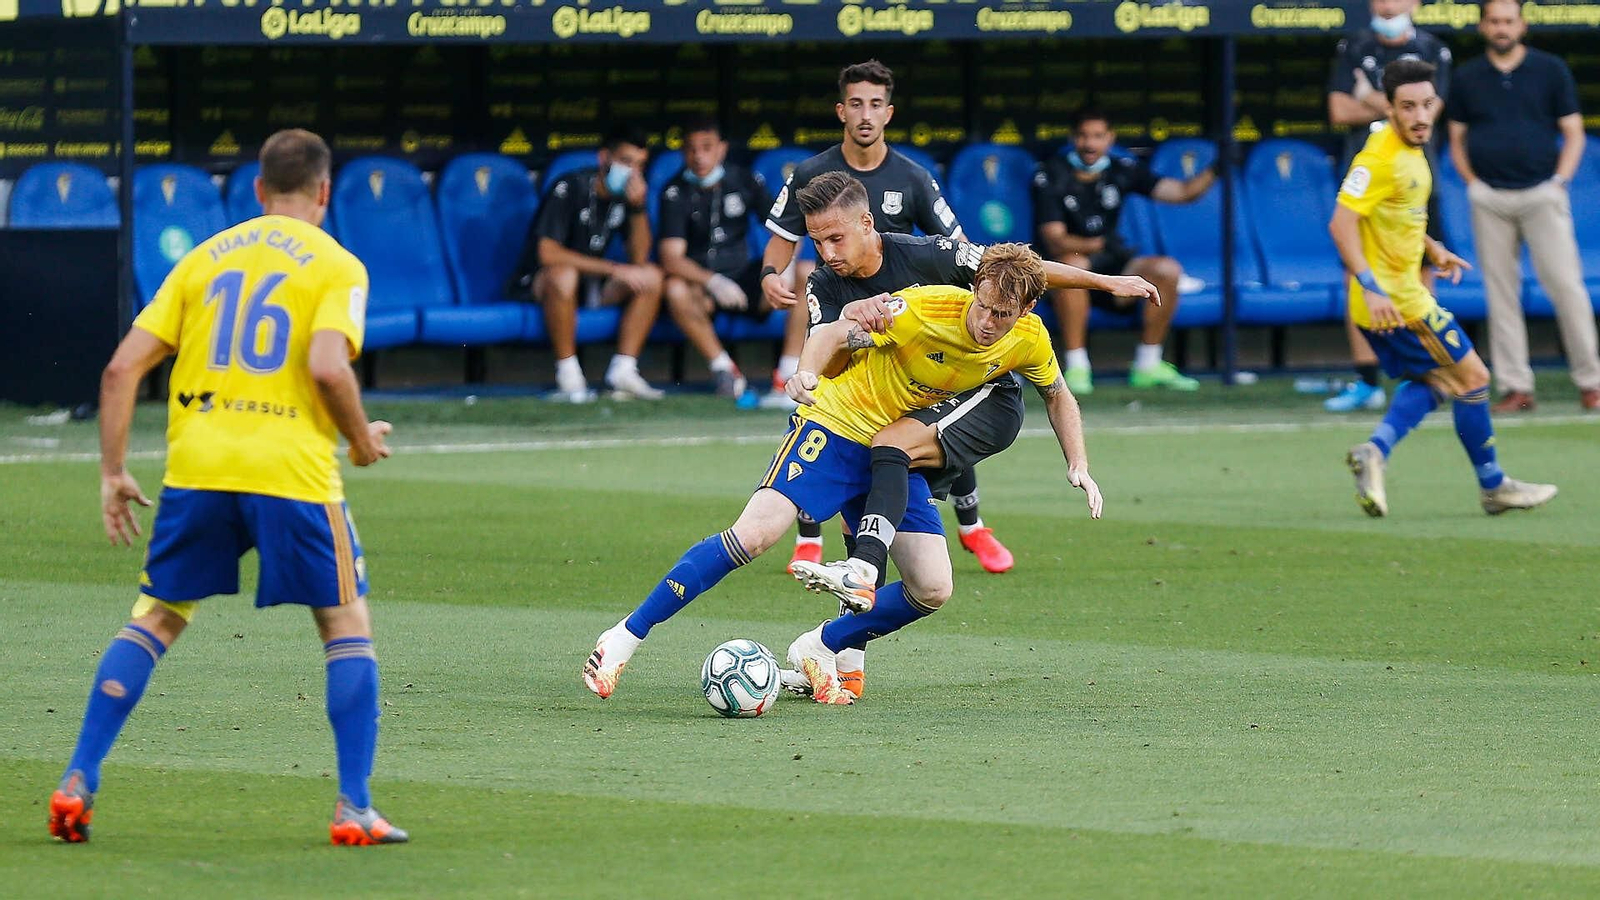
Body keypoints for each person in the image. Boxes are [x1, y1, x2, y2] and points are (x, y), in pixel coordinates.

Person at [49, 129, 407, 846]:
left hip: (198, 468)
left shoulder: (203, 259)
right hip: (291, 474)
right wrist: (361, 438)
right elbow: (330, 367)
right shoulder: (338, 265)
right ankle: (354, 807)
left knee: (155, 617)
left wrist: (114, 471)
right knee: (344, 624)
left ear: (256, 188)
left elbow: (122, 371)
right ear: (326, 192)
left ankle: (77, 779)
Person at [582, 245, 1101, 706]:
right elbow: (832, 332)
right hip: (834, 424)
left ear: (1026, 311)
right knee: (755, 535)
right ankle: (623, 637)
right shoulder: (923, 309)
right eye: (983, 305)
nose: (987, 321)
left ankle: (820, 644)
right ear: (975, 289)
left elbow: (1057, 394)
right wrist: (805, 370)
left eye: (1002, 314)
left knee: (933, 588)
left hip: (892, 450)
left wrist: (1077, 463)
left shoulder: (1029, 338)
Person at [790, 171, 1155, 695]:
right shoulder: (844, 289)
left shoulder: (947, 271)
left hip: (987, 397)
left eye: (835, 237)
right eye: (817, 241)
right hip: (899, 395)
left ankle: (884, 562)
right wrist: (829, 348)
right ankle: (837, 654)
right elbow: (829, 351)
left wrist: (1106, 282)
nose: (986, 320)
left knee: (890, 446)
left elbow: (1026, 292)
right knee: (923, 573)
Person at [756, 59, 979, 577]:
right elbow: (784, 237)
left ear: (889, 112)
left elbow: (959, 247)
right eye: (856, 103)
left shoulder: (914, 178)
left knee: (935, 425)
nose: (865, 113)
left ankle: (969, 523)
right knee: (822, 414)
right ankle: (818, 539)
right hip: (847, 327)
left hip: (906, 339)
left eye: (875, 104)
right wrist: (771, 272)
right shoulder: (811, 174)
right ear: (841, 110)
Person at [1329, 60, 1556, 518]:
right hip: (1397, 302)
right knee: (1474, 379)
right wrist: (1372, 286)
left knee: (1436, 382)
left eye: (1427, 104)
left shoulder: (1410, 149)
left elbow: (1393, 214)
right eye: (1407, 106)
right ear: (1388, 107)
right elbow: (1341, 224)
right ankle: (1494, 486)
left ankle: (1376, 450)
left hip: (1393, 297)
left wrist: (1431, 248)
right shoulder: (1380, 158)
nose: (1419, 116)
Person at [1446, 0, 1600, 413]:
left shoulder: (1550, 69)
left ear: (1522, 25)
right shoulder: (1467, 76)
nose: (1501, 28)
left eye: (1508, 21)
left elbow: (1573, 133)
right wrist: (1473, 183)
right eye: (1494, 21)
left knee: (1566, 287)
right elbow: (1456, 138)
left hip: (1541, 194)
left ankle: (1592, 382)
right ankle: (1516, 387)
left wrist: (1559, 183)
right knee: (1501, 295)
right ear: (1482, 27)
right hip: (1490, 198)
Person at [1324, 0, 1453, 413]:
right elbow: (1338, 110)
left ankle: (1424, 370)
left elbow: (1427, 111)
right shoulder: (1354, 45)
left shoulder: (1434, 49)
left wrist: (1370, 97)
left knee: (1420, 269)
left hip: (1416, 176)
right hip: (1364, 178)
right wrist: (1387, 103)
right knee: (1355, 269)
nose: (1387, 5)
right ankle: (1367, 380)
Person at [1032, 106, 1215, 394]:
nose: (1090, 144)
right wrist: (1098, 245)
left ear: (1110, 138)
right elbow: (1056, 240)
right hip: (1068, 273)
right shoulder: (1050, 174)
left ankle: (1148, 364)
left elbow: (1181, 193)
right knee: (1071, 265)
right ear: (1072, 138)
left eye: (1098, 136)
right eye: (1082, 136)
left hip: (1113, 267)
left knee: (1167, 270)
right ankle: (1078, 367)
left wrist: (1217, 169)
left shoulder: (1121, 169)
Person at [512, 127, 665, 403]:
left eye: (639, 165)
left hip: (591, 288)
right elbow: (547, 254)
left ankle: (624, 370)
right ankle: (569, 376)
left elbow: (639, 257)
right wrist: (613, 269)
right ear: (604, 157)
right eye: (626, 162)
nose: (632, 172)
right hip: (543, 285)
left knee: (651, 276)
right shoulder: (570, 186)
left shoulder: (628, 197)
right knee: (564, 275)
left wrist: (638, 208)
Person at [658, 119, 775, 399]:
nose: (699, 156)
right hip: (703, 286)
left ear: (721, 149)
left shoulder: (744, 179)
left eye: (707, 148)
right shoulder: (674, 191)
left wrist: (779, 270)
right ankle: (725, 370)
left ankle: (789, 373)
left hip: (747, 277)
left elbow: (782, 230)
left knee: (803, 273)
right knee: (674, 287)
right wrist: (713, 281)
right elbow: (671, 258)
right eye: (691, 149)